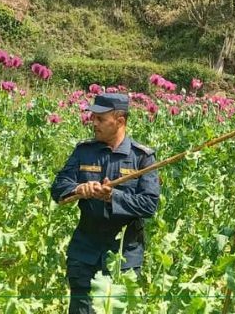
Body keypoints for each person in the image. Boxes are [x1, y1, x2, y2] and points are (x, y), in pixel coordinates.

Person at [50, 93, 160, 314]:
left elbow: (149, 205)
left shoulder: (142, 158)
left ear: (120, 121)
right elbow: (58, 187)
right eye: (93, 117)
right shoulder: (84, 152)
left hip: (123, 256)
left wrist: (112, 196)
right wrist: (78, 189)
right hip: (85, 251)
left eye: (100, 119)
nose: (94, 123)